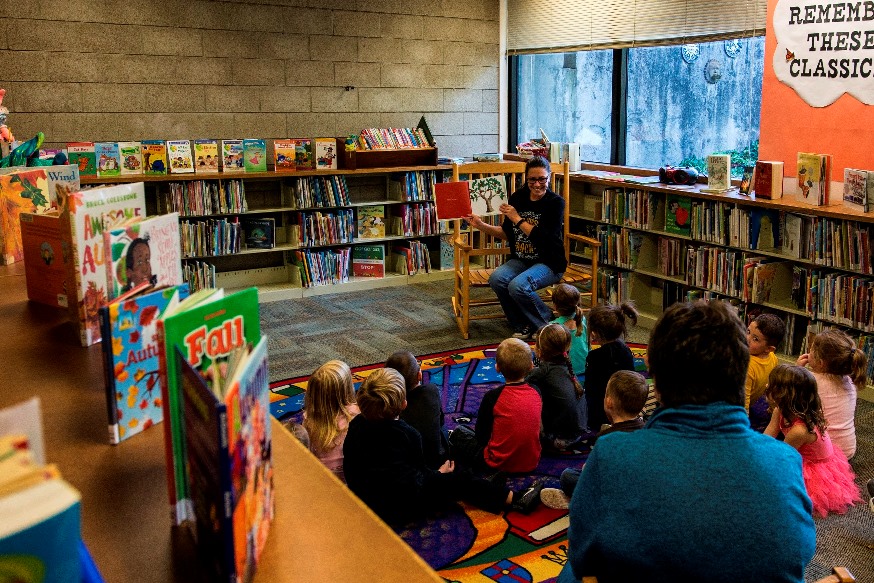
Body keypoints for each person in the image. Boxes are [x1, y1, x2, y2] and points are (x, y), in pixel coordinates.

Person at [558, 300, 815, 583]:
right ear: (741, 372)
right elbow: (799, 553)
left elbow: (583, 556)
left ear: (654, 377)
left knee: (571, 571)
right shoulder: (786, 460)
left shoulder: (612, 452)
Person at [343, 368, 544, 525]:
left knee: (458, 478)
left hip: (365, 501)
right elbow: (417, 479)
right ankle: (513, 498)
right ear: (403, 403)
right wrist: (440, 475)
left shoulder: (356, 425)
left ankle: (484, 486)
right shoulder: (407, 433)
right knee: (459, 479)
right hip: (401, 506)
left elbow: (352, 468)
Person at [465, 156, 566, 339]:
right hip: (521, 258)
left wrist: (517, 218)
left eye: (542, 179)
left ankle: (545, 323)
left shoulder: (555, 203)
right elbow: (507, 233)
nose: (537, 184)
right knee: (496, 279)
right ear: (525, 179)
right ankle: (522, 324)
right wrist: (480, 225)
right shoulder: (517, 197)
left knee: (518, 285)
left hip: (549, 262)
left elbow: (543, 238)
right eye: (532, 179)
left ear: (549, 178)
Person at [764, 364, 862, 517]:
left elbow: (782, 458)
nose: (766, 386)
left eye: (771, 385)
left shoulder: (799, 431)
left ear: (783, 395)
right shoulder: (780, 409)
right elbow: (768, 436)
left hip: (814, 468)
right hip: (795, 452)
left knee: (773, 486)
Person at [541, 370, 647, 510]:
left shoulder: (605, 439)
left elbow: (591, 471)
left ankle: (582, 502)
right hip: (639, 493)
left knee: (568, 476)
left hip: (612, 492)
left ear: (608, 402)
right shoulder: (647, 430)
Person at [448, 338, 542, 474]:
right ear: (531, 366)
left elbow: (481, 436)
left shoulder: (492, 397)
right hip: (531, 462)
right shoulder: (537, 392)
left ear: (497, 367)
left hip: (496, 464)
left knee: (459, 432)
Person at [797, 328, 866, 460]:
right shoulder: (851, 382)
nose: (808, 352)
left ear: (821, 363)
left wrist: (798, 370)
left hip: (824, 453)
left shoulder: (810, 381)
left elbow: (792, 398)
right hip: (847, 451)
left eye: (811, 350)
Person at [526, 323, 587, 451]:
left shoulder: (544, 370)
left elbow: (519, 382)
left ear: (539, 350)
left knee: (529, 391)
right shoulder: (566, 365)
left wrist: (529, 370)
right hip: (580, 429)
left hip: (558, 439)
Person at [385, 350, 449, 470]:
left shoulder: (383, 405)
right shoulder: (431, 390)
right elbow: (441, 421)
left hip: (407, 466)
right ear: (419, 375)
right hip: (436, 462)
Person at [302, 360, 360, 483]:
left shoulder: (308, 419)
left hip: (323, 480)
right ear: (347, 389)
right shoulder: (358, 415)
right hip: (352, 479)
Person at [583, 301, 638, 432]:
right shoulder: (626, 350)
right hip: (627, 406)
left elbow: (591, 389)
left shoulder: (594, 356)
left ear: (594, 333)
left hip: (603, 411)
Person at [745, 313, 785, 431]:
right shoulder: (772, 357)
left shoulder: (747, 366)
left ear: (769, 349)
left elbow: (742, 403)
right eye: (748, 332)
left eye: (755, 339)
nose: (747, 339)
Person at [550, 283, 588, 374]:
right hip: (586, 368)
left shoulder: (553, 326)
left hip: (566, 372)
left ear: (555, 306)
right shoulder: (582, 318)